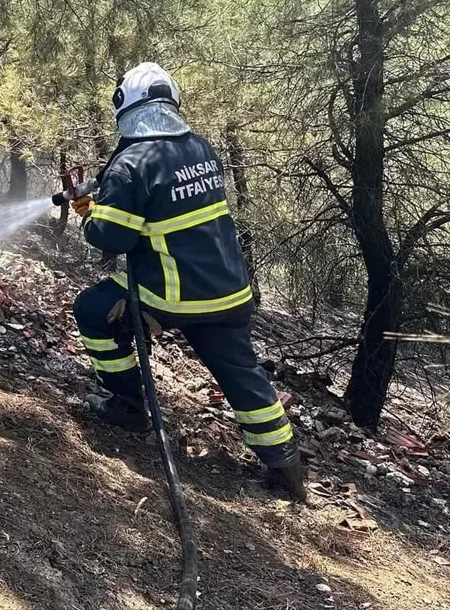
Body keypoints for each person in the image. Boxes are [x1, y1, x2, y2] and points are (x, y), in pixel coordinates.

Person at [71, 62, 307, 502]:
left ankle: (127, 405)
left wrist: (88, 212)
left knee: (91, 310)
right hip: (229, 288)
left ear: (124, 106)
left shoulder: (131, 164)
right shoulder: (200, 148)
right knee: (240, 372)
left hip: (172, 293)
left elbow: (112, 235)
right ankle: (285, 465)